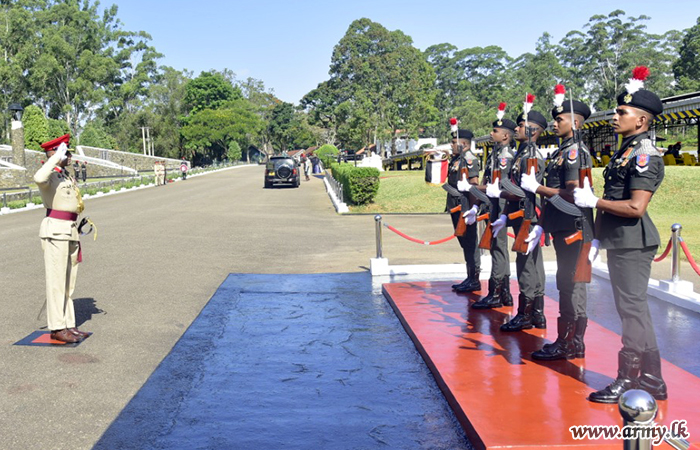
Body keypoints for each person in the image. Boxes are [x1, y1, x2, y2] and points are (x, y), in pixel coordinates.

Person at [574, 66, 667, 403]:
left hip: (633, 241)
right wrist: (598, 236)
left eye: (622, 112)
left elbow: (635, 207)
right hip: (620, 239)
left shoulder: (643, 154)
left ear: (641, 120)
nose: (615, 116)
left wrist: (594, 201)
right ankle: (654, 378)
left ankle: (628, 377)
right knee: (634, 310)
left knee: (630, 310)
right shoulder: (627, 149)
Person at [521, 84, 593, 359]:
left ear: (574, 122)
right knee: (566, 283)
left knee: (571, 285)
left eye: (559, 119)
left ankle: (570, 342)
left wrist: (539, 189)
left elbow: (574, 193)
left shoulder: (574, 151)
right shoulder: (563, 150)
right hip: (562, 225)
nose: (554, 123)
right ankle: (570, 341)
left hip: (573, 227)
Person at [487, 96, 547, 331]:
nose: (517, 129)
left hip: (528, 215)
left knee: (528, 265)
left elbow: (525, 191)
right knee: (527, 262)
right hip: (518, 215)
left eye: (521, 126)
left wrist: (500, 194)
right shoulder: (522, 155)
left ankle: (528, 312)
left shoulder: (531, 156)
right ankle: (534, 313)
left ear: (534, 130)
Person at [33, 134, 89, 343]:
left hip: (69, 230)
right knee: (56, 282)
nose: (70, 156)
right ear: (55, 154)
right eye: (66, 153)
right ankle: (57, 327)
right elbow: (38, 177)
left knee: (68, 283)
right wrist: (55, 158)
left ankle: (68, 324)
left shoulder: (64, 176)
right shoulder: (48, 176)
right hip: (55, 232)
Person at [467, 104, 515, 309]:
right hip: (493, 205)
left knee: (499, 248)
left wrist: (478, 188)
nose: (491, 133)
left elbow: (499, 184)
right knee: (497, 248)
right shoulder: (495, 154)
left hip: (502, 205)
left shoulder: (506, 157)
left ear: (505, 136)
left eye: (495, 131)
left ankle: (497, 291)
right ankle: (503, 292)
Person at [445, 121, 481, 293]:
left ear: (464, 144)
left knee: (470, 243)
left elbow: (474, 184)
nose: (451, 145)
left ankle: (474, 279)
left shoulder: (469, 160)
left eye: (454, 142)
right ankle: (469, 276)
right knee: (464, 243)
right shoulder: (457, 160)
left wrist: (473, 209)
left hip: (465, 206)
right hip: (455, 206)